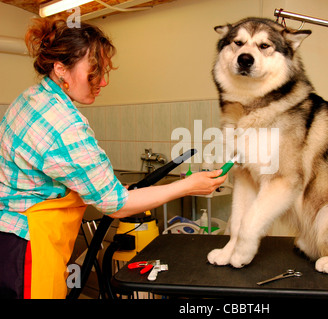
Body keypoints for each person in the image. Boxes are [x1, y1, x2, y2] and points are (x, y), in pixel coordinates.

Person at [0, 17, 226, 299]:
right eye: (94, 72)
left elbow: (50, 176)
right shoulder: (64, 125)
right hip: (27, 246)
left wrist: (111, 192)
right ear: (60, 69)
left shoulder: (31, 98)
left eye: (104, 71)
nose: (103, 81)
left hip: (7, 237)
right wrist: (188, 185)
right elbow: (116, 206)